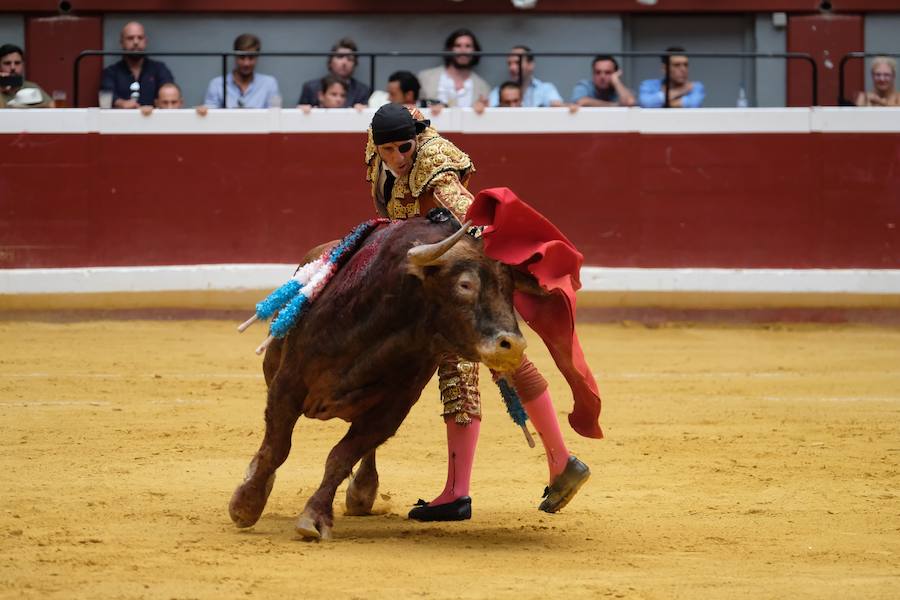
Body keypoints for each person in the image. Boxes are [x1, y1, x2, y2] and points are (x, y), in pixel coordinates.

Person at [364, 103, 592, 521]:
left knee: (459, 372)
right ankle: (561, 462)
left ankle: (458, 493)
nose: (398, 157)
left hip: (465, 286)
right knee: (508, 363)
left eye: (404, 147)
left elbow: (476, 221)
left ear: (416, 139)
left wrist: (456, 236)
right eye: (388, 150)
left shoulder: (434, 164)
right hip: (442, 286)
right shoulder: (378, 158)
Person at [100, 22, 174, 109]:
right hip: (122, 117)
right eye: (130, 38)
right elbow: (106, 95)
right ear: (122, 42)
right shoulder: (111, 72)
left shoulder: (159, 69)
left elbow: (170, 94)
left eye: (140, 38)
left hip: (153, 116)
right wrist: (122, 103)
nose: (136, 42)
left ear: (145, 41)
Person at [418, 28, 490, 109]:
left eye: (468, 46)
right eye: (458, 46)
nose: (463, 51)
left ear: (475, 50)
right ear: (450, 49)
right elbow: (412, 108)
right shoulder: (425, 78)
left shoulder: (483, 87)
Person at [204, 33, 280, 109]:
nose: (246, 63)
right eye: (242, 57)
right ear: (235, 55)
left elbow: (274, 114)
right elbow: (211, 114)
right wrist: (203, 112)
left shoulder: (269, 84)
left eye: (251, 57)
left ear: (257, 57)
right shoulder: (217, 84)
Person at [297, 37, 371, 109]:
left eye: (349, 58)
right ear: (330, 61)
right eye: (340, 57)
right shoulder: (311, 88)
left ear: (355, 64)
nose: (344, 62)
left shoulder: (362, 90)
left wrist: (363, 111)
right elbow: (299, 113)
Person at [489, 46, 564, 108]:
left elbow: (560, 109)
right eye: (509, 64)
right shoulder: (499, 91)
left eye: (517, 63)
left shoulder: (546, 89)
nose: (512, 68)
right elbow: (488, 112)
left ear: (531, 65)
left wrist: (566, 107)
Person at [639, 46, 705, 108]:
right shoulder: (649, 85)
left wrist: (661, 102)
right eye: (677, 65)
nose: (683, 69)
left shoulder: (695, 86)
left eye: (685, 65)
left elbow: (693, 104)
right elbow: (646, 103)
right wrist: (681, 91)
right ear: (665, 68)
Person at [0, 44, 52, 108]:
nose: (13, 67)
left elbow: (52, 106)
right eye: (7, 63)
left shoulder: (31, 87)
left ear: (23, 65)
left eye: (17, 63)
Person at [571, 55, 636, 107]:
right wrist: (615, 105)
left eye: (607, 72)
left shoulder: (620, 89)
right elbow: (581, 102)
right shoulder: (585, 86)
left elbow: (630, 102)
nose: (602, 77)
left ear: (615, 74)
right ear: (593, 74)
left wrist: (616, 81)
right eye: (598, 72)